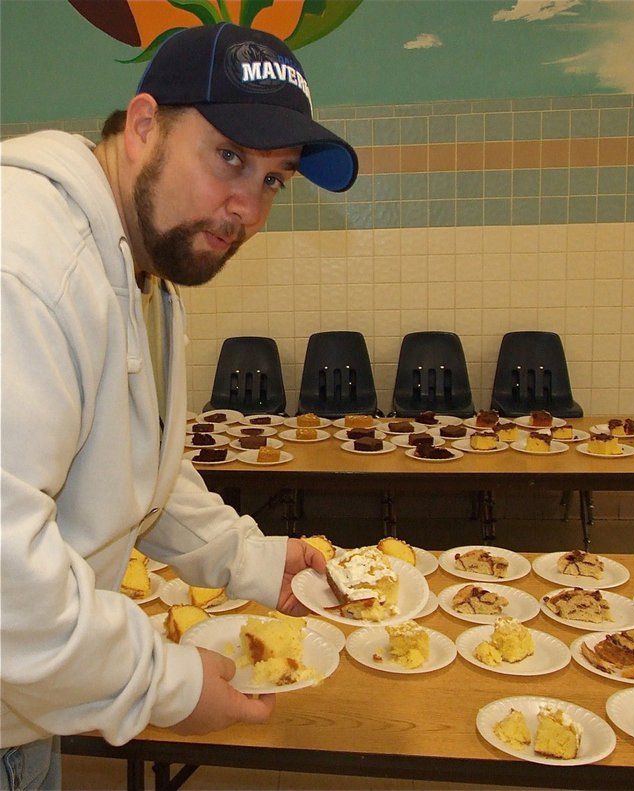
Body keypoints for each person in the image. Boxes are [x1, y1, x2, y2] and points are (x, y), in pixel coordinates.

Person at [0, 23, 357, 789]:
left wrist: (255, 561)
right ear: (141, 127)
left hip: (26, 709)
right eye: (229, 155)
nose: (247, 209)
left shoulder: (140, 267)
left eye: (273, 179)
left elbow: (140, 467)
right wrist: (168, 681)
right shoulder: (27, 265)